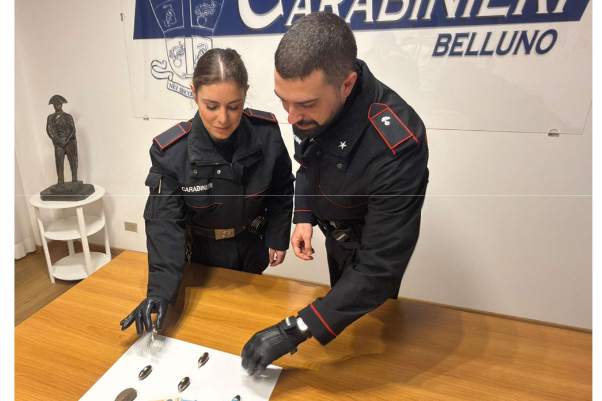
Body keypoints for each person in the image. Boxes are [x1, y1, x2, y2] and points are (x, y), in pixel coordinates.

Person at [241, 12, 429, 375]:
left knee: (368, 353)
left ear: (347, 84)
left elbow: (380, 267)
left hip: (368, 253)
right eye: (284, 101)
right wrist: (304, 216)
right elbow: (308, 163)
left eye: (305, 104)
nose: (291, 117)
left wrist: (295, 328)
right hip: (335, 240)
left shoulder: (397, 144)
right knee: (340, 335)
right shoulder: (306, 106)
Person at [120, 48, 295, 335]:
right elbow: (164, 223)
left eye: (234, 106)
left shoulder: (266, 134)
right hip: (201, 261)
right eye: (211, 106)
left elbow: (282, 187)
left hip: (252, 248)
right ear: (193, 93)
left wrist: (277, 236)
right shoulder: (172, 153)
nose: (223, 118)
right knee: (206, 331)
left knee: (246, 327)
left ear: (245, 94)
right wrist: (160, 291)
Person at [46, 95, 78, 187]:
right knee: (59, 162)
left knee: (72, 160)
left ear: (61, 104)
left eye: (59, 104)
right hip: (58, 144)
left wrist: (67, 140)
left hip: (69, 142)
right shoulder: (50, 117)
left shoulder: (68, 116)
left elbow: (72, 130)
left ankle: (74, 179)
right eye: (55, 104)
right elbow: (49, 131)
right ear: (53, 105)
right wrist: (58, 140)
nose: (57, 105)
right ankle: (60, 180)